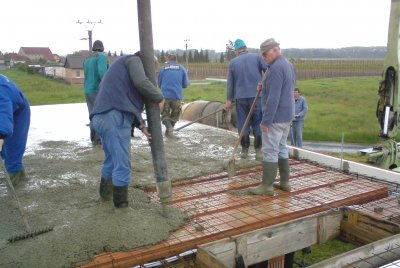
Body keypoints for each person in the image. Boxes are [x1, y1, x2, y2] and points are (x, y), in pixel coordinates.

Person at [90, 52, 165, 209]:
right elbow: (141, 82)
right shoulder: (134, 60)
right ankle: (121, 207)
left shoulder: (121, 70)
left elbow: (126, 103)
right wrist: (159, 97)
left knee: (112, 159)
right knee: (123, 163)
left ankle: (105, 197)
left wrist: (142, 126)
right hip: (113, 117)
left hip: (101, 118)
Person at [248, 38, 296, 196]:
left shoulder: (275, 68)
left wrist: (265, 121)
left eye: (265, 54)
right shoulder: (286, 64)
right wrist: (264, 85)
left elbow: (274, 98)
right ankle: (285, 182)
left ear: (275, 50)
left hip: (275, 118)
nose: (263, 57)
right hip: (287, 115)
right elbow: (284, 87)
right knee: (281, 148)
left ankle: (267, 186)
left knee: (269, 150)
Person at [225, 39, 268, 160]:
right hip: (257, 96)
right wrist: (264, 82)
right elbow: (268, 70)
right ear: (245, 48)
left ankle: (244, 151)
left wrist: (229, 100)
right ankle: (259, 151)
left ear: (237, 51)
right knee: (258, 122)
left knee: (243, 124)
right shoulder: (256, 57)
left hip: (241, 98)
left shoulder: (233, 62)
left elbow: (230, 83)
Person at [0, 74, 31, 186]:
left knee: (13, 147)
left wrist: (1, 135)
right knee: (6, 150)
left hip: (19, 111)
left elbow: (3, 111)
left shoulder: (1, 89)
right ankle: (19, 173)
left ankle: (14, 181)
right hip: (7, 107)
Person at [158, 53, 190, 138]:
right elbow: (186, 84)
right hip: (177, 96)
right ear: (176, 60)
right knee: (175, 116)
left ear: (168, 60)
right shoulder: (182, 68)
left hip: (165, 96)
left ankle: (169, 129)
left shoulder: (163, 69)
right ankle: (170, 130)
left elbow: (159, 83)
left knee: (164, 114)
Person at [83, 40, 108, 145]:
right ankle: (99, 139)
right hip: (97, 90)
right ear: (102, 48)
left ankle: (94, 138)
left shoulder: (87, 59)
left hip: (87, 90)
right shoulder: (101, 57)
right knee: (101, 114)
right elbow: (103, 73)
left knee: (92, 114)